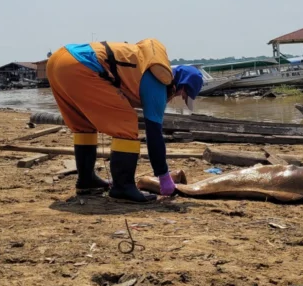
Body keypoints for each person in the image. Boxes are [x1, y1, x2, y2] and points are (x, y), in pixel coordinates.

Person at [46, 39, 203, 203]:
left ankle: (87, 181)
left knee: (83, 124)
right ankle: (123, 187)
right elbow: (154, 134)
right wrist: (163, 175)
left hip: (59, 60)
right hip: (81, 65)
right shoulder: (158, 81)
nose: (179, 97)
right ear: (181, 84)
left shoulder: (145, 68)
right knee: (127, 122)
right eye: (183, 94)